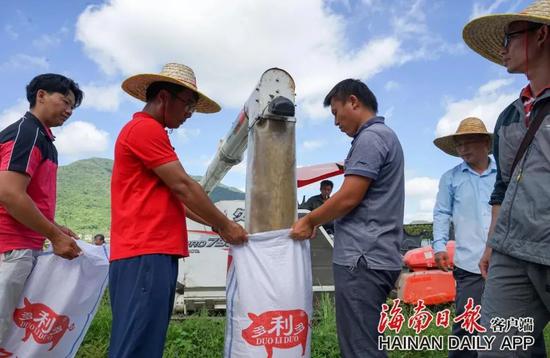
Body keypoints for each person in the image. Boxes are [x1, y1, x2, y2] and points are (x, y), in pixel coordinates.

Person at [109, 63, 248, 358]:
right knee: (137, 341)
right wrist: (225, 225)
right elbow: (184, 186)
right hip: (145, 251)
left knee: (145, 337)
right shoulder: (145, 129)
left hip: (149, 252)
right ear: (164, 97)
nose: (189, 114)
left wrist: (215, 224)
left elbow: (178, 200)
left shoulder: (148, 132)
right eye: (187, 105)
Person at [290, 79, 404, 358]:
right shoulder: (384, 137)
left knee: (360, 348)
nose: (336, 122)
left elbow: (350, 195)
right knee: (366, 341)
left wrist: (309, 221)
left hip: (362, 258)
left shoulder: (370, 138)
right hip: (377, 255)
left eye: (336, 112)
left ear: (354, 102)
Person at [463, 1, 550, 356]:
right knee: (499, 348)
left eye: (511, 37)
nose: (503, 48)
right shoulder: (509, 116)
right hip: (512, 253)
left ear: (542, 34)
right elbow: (503, 187)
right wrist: (491, 244)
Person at [0, 74, 83, 343]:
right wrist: (55, 236)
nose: (69, 110)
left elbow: (27, 197)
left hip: (21, 247)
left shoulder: (44, 139)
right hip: (10, 248)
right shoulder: (27, 132)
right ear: (41, 95)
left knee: (10, 335)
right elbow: (10, 193)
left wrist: (55, 228)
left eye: (73, 106)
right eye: (65, 101)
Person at [432, 117, 496, 358]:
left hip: (506, 260)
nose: (464, 149)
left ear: (485, 143)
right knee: (467, 324)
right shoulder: (451, 178)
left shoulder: (503, 174)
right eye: (459, 145)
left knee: (515, 321)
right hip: (469, 263)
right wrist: (439, 246)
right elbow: (441, 213)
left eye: (469, 142)